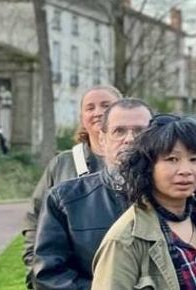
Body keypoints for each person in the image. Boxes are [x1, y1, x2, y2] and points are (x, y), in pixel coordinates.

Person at [92, 115, 196, 290]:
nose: (186, 171)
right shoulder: (125, 239)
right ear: (148, 166)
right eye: (172, 159)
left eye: (194, 159)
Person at [33, 98, 153, 290]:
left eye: (140, 131)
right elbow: (50, 276)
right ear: (103, 140)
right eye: (119, 131)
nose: (130, 139)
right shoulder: (65, 199)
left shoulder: (177, 198)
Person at [24, 85, 121, 282]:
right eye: (90, 107)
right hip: (71, 279)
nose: (98, 112)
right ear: (82, 118)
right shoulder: (62, 163)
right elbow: (36, 216)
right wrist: (34, 262)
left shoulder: (140, 162)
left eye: (106, 105)